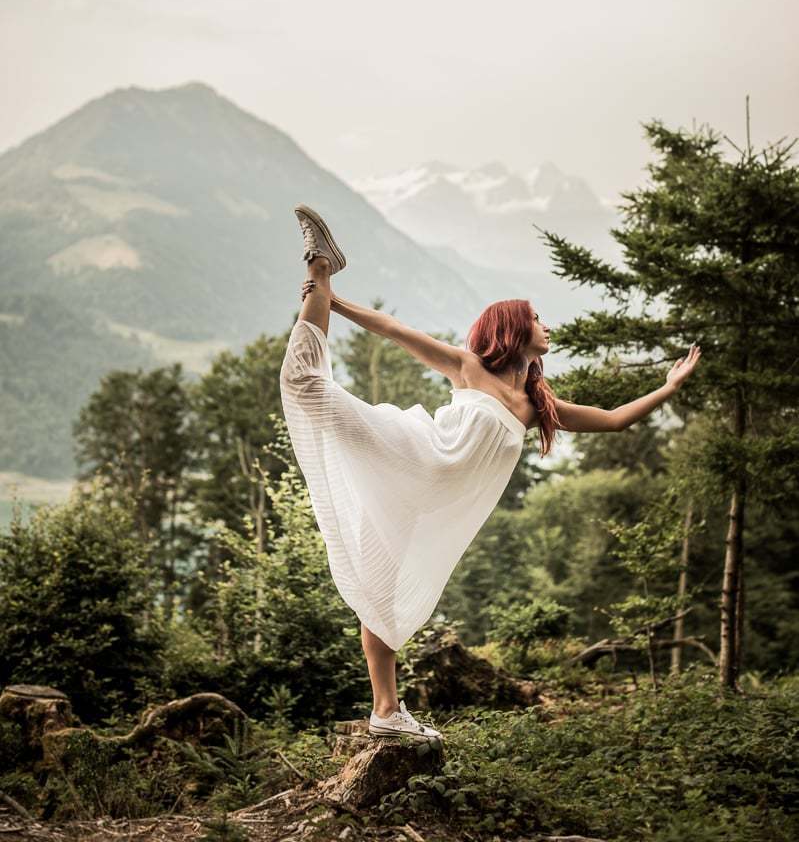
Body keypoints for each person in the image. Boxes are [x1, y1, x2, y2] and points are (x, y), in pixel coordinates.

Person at [279, 204, 701, 740]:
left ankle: (385, 712)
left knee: (381, 594)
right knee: (304, 386)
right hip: (411, 454)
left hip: (428, 499)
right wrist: (331, 301)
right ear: (514, 328)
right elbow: (393, 329)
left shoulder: (535, 405)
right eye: (537, 318)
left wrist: (668, 387)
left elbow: (615, 421)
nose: (546, 327)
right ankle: (320, 270)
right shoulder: (470, 368)